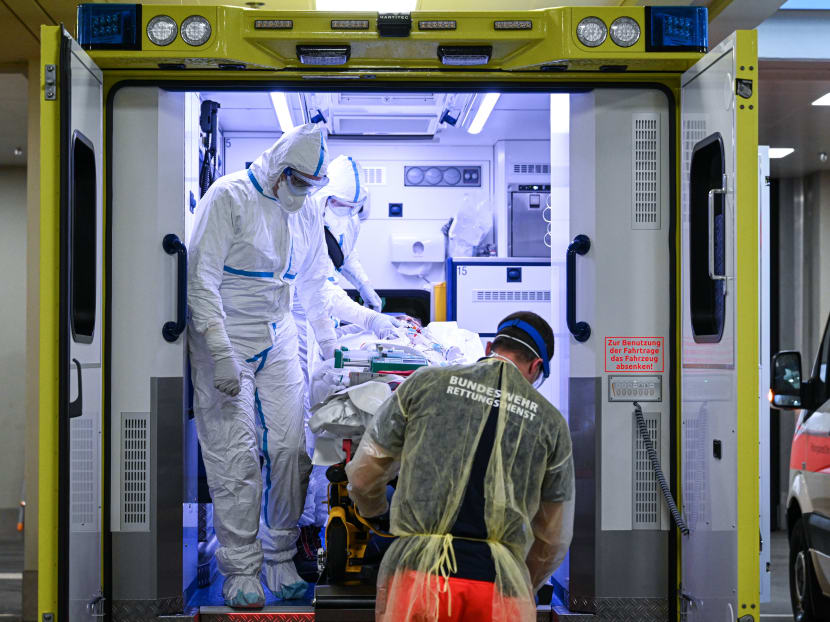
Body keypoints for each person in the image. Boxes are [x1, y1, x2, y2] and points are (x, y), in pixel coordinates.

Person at [188, 124, 341, 608]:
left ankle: (278, 559)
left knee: (292, 449)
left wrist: (329, 342)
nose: (303, 194)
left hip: (277, 333)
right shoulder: (228, 198)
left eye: (312, 186)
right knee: (236, 455)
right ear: (277, 170)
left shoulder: (307, 210)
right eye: (297, 183)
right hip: (224, 333)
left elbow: (316, 283)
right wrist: (219, 350)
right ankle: (240, 570)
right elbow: (201, 281)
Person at [345, 311, 574, 622]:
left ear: (490, 347)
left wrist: (376, 514)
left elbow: (363, 475)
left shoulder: (425, 383)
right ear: (536, 367)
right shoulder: (551, 423)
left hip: (419, 579)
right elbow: (553, 538)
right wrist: (519, 583)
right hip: (496, 588)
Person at [294, 154, 399, 563]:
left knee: (323, 424)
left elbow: (345, 259)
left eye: (353, 207)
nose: (346, 212)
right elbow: (322, 294)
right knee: (310, 425)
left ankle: (327, 517)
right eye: (340, 205)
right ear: (325, 198)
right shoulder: (308, 223)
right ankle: (310, 526)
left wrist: (369, 290)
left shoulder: (343, 220)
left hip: (323, 322)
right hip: (299, 323)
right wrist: (368, 317)